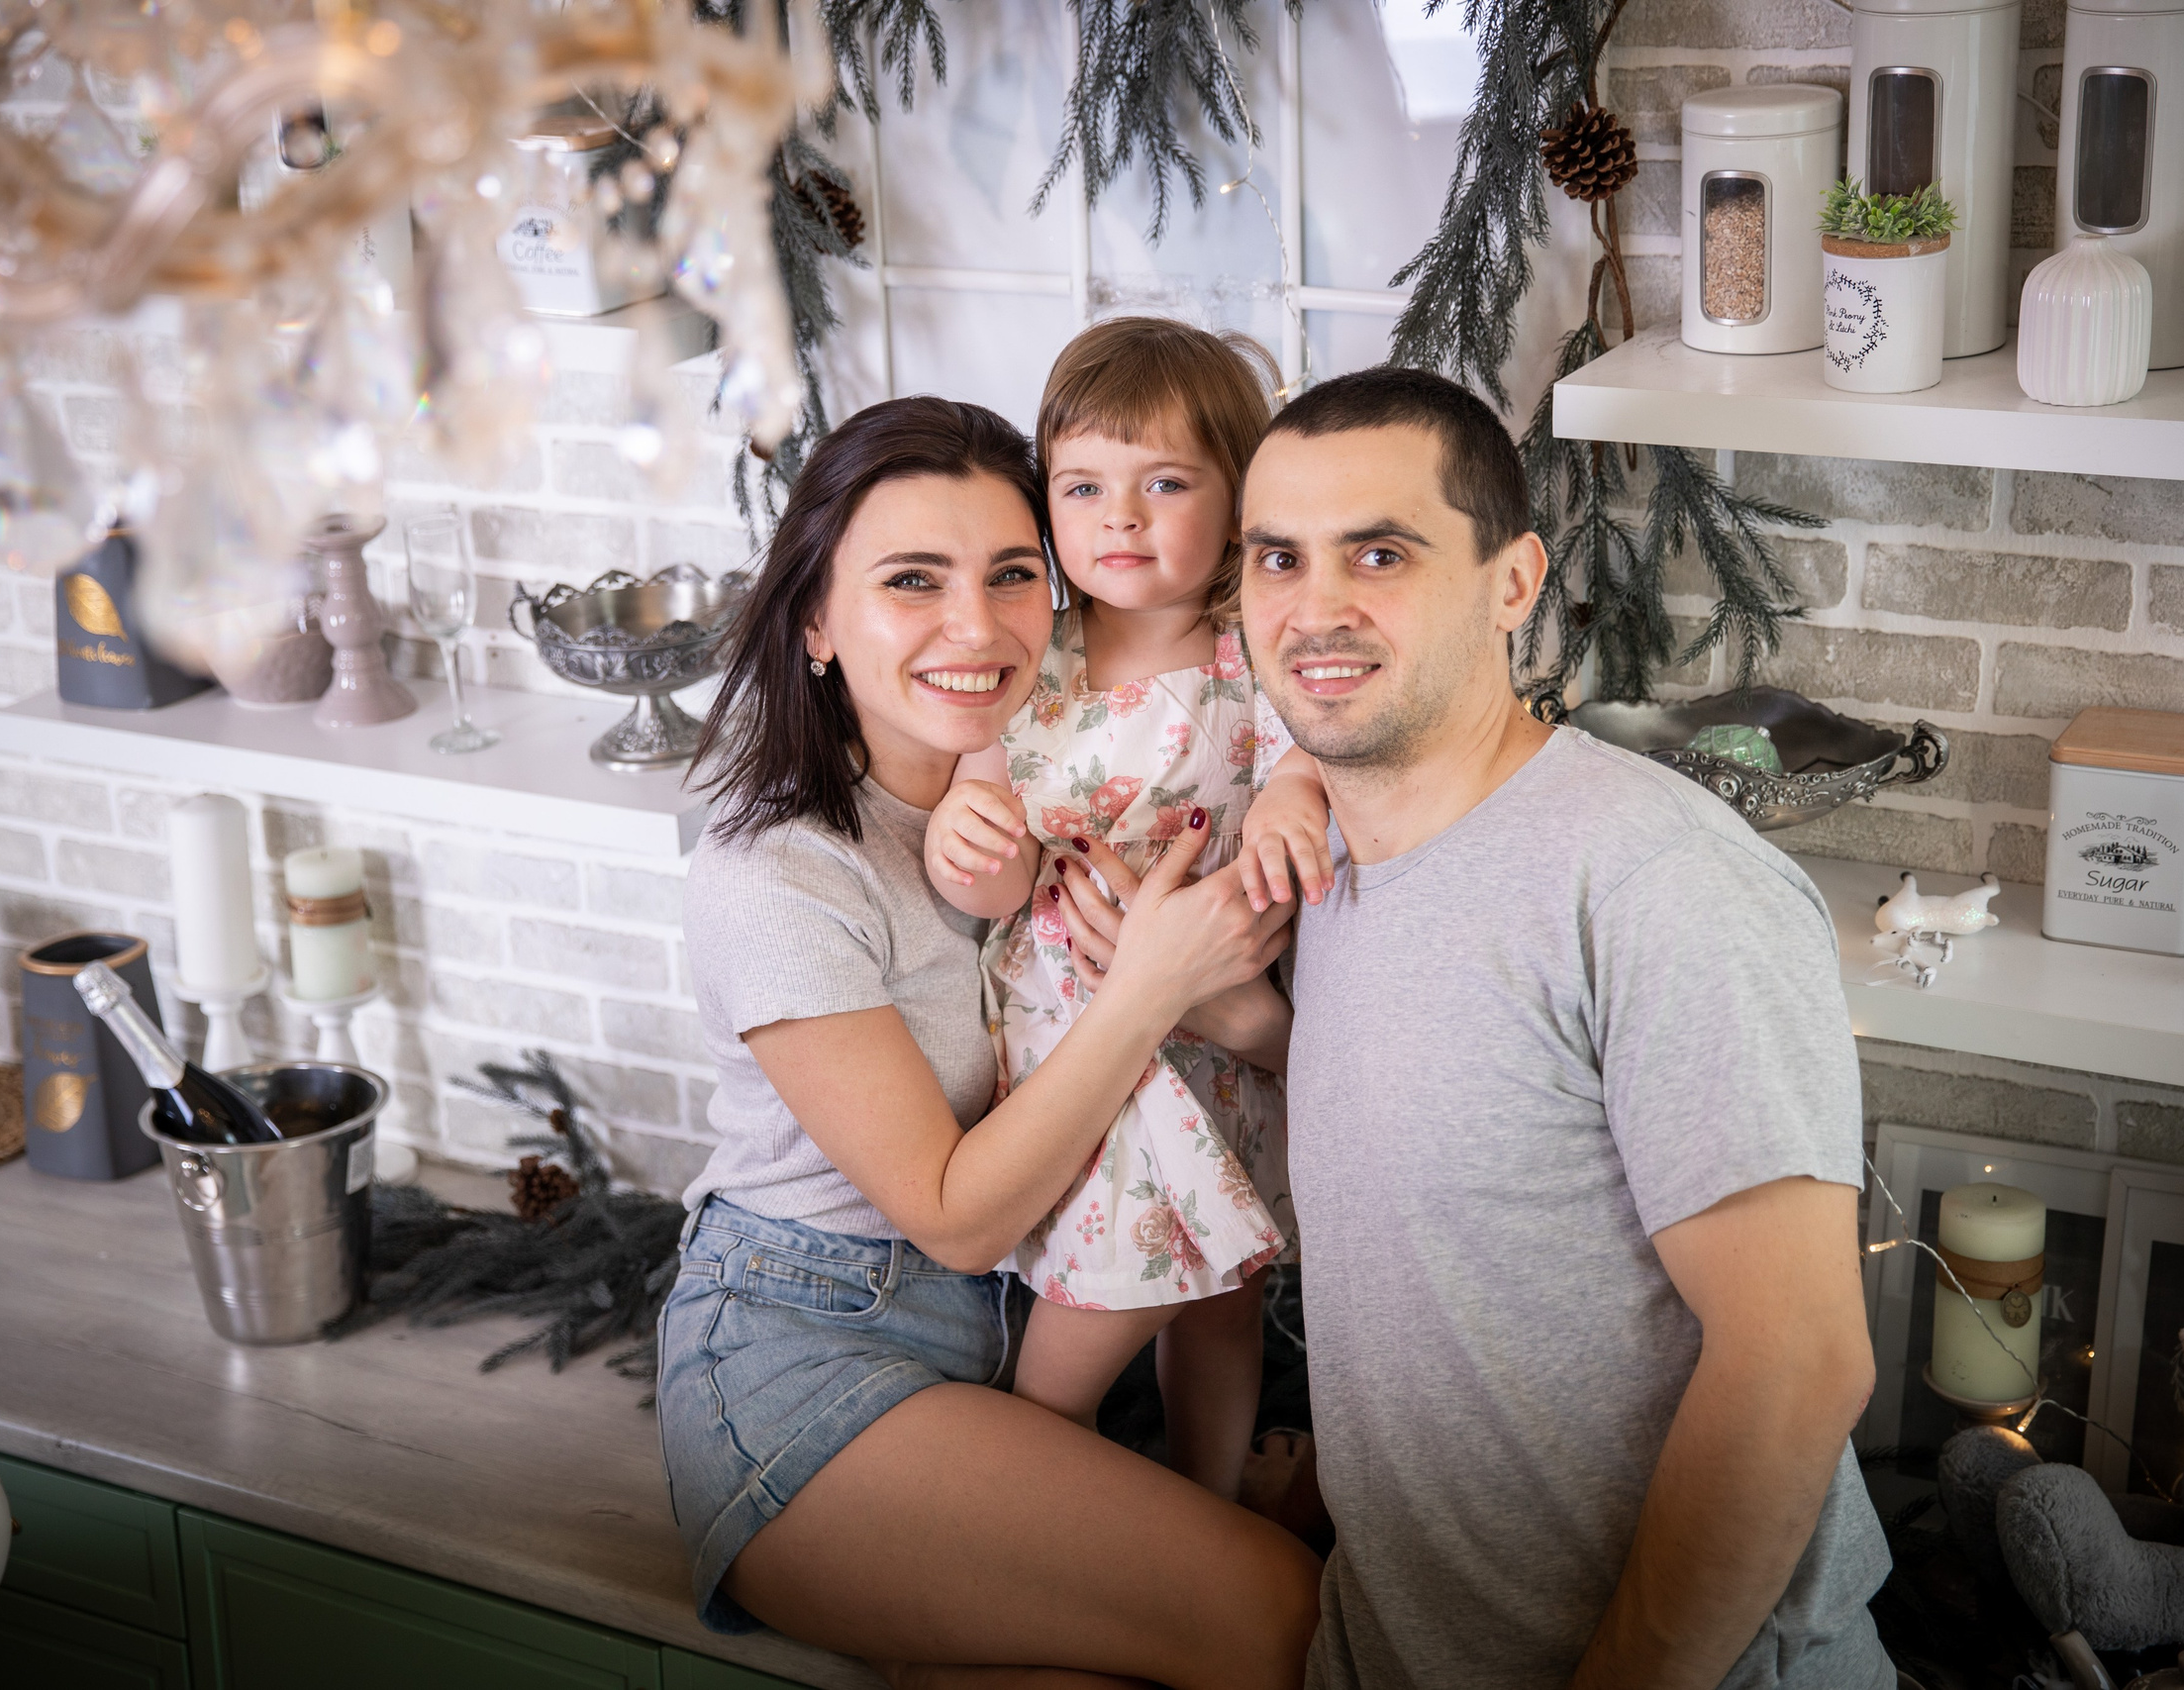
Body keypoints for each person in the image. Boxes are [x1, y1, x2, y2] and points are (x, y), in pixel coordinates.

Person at [1066, 363, 1894, 1688]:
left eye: (1379, 552)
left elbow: (1796, 1362)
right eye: (1279, 557)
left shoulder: (1656, 879)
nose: (1316, 607)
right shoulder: (1321, 865)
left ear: (1514, 582)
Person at [656, 394, 1321, 1690]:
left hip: (1018, 1325)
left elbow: (1269, 1049)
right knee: (1283, 1619)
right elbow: (955, 1218)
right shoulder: (781, 874)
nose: (978, 628)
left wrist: (1239, 1016)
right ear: (812, 619)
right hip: (809, 1349)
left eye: (1013, 575)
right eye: (913, 580)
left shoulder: (1093, 783)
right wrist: (1151, 986)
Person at [922, 317, 1328, 1501]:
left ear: (1236, 500)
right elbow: (988, 870)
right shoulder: (1030, 658)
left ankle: (1204, 1501)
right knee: (1096, 1292)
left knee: (1219, 1292)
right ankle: (1027, 1503)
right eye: (1084, 486)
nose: (1122, 519)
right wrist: (969, 838)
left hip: (1216, 1041)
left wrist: (1296, 804)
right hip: (1086, 1046)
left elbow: (1302, 763)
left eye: (1164, 484)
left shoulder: (1248, 659)